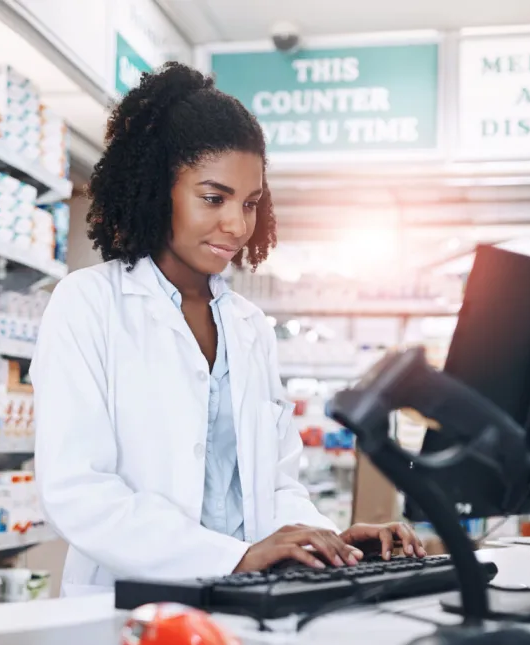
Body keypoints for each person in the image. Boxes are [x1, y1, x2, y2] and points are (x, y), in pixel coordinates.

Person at [31, 62, 424, 597]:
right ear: (157, 187)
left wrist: (330, 542)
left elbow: (275, 484)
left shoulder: (250, 326)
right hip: (133, 601)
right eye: (213, 198)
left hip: (246, 599)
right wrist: (234, 555)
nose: (238, 225)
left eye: (250, 203)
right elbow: (79, 491)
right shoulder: (89, 303)